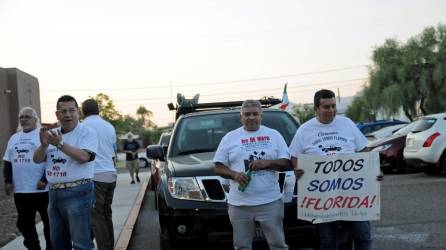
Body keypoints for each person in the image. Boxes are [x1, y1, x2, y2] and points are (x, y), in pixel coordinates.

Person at [289, 89, 383, 250]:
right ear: (316, 109)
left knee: (363, 235)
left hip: (353, 195)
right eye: (326, 107)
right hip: (323, 197)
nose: (331, 110)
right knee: (328, 239)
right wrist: (298, 168)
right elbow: (294, 156)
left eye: (333, 106)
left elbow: (363, 152)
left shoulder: (346, 123)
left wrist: (374, 169)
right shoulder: (304, 130)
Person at [214, 99, 291, 250]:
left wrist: (267, 163)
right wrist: (234, 175)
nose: (251, 117)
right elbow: (218, 167)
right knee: (242, 246)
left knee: (278, 245)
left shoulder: (274, 135)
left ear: (261, 116)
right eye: (247, 114)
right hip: (240, 204)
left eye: (255, 114)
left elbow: (286, 163)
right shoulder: (230, 137)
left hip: (270, 201)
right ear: (241, 116)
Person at [33, 95, 98, 250]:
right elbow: (37, 159)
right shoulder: (51, 133)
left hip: (79, 192)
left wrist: (60, 144)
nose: (68, 115)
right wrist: (43, 146)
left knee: (81, 244)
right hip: (54, 194)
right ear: (57, 114)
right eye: (63, 111)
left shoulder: (87, 132)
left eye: (72, 110)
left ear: (78, 113)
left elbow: (84, 157)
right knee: (59, 244)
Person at [3, 107, 52, 250]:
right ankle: (33, 247)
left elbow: (51, 160)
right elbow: (7, 161)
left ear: (35, 119)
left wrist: (45, 179)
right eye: (21, 117)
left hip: (42, 189)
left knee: (49, 223)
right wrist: (7, 181)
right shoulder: (14, 138)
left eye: (27, 117)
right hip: (21, 190)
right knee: (24, 224)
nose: (24, 120)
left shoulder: (43, 135)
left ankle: (51, 247)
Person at [81, 99, 117, 250]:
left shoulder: (83, 127)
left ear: (82, 111)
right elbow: (114, 152)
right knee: (106, 213)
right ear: (98, 110)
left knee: (96, 216)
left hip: (95, 175)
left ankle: (104, 247)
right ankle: (110, 245)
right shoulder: (109, 126)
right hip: (111, 174)